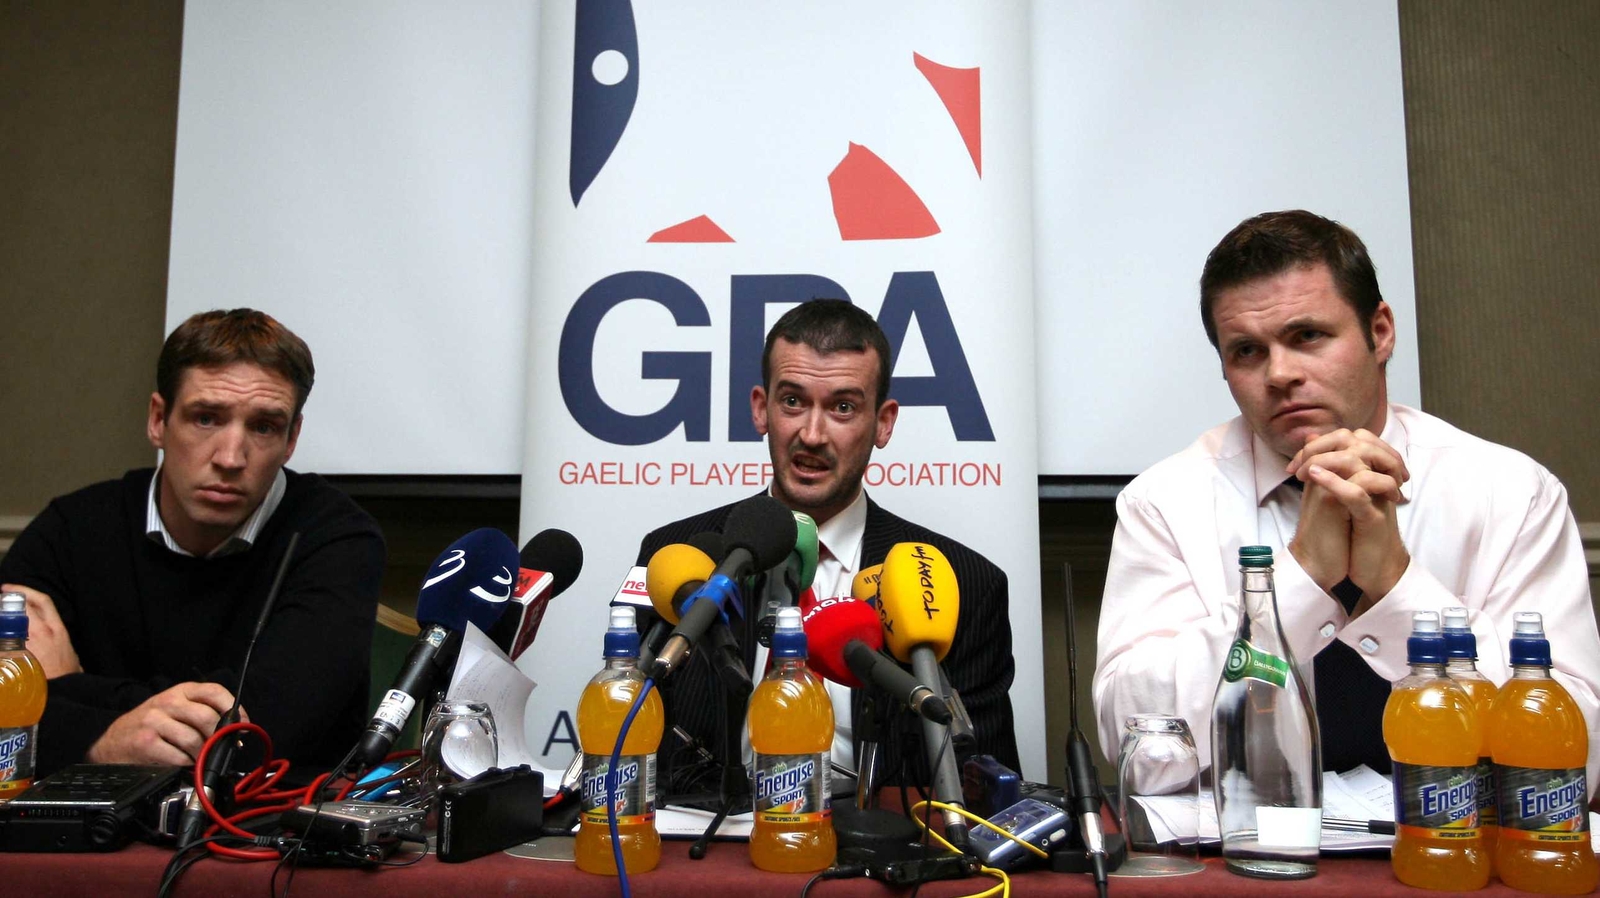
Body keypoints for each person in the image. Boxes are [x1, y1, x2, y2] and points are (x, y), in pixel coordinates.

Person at [1093, 210, 1600, 789]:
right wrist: (1301, 581)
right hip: (1248, 855)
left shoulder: (1510, 492)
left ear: (1380, 332)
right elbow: (1139, 750)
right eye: (1247, 352)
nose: (1280, 374)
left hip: (1455, 846)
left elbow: (1576, 759)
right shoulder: (1166, 501)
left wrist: (1397, 587)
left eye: (1307, 336)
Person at [636, 299, 1019, 796]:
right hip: (708, 852)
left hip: (876, 860)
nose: (812, 435)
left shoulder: (965, 583)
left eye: (842, 407)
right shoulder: (675, 554)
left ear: (883, 423)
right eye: (792, 401)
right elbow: (630, 740)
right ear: (761, 409)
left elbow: (985, 789)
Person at [1, 309, 385, 776]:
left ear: (291, 439)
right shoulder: (71, 530)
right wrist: (104, 740)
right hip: (94, 830)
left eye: (263, 427)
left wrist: (66, 688)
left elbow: (268, 729)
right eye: (206, 418)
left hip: (264, 835)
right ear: (159, 420)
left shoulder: (337, 539)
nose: (230, 457)